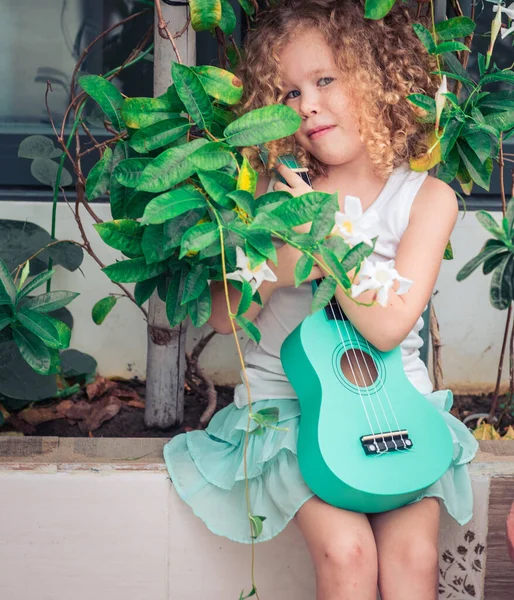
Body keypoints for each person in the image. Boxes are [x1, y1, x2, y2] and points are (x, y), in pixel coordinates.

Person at [163, 1, 479, 598]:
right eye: (287, 93)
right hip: (289, 415)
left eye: (325, 80)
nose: (307, 104)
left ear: (374, 79)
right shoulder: (266, 196)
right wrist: (275, 258)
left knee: (412, 558)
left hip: (398, 417)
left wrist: (321, 233)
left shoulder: (427, 198)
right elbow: (225, 319)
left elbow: (387, 328)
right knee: (347, 551)